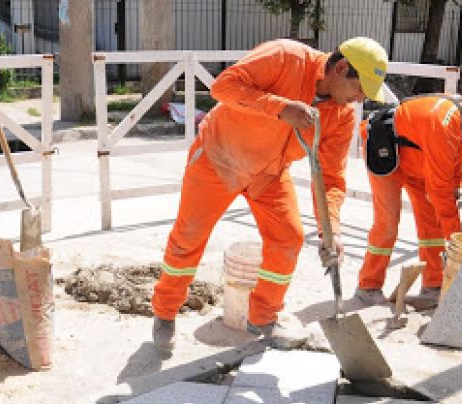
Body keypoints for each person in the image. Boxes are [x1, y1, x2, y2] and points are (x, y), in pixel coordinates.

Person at [150, 37, 389, 353]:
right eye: (359, 89)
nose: (359, 100)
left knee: (288, 238)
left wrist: (331, 231)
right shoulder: (285, 57)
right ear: (342, 67)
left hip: (269, 172)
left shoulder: (342, 114)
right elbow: (223, 87)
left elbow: (330, 179)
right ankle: (165, 312)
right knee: (188, 238)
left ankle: (262, 317)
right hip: (219, 159)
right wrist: (280, 108)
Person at [356, 94, 462, 305]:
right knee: (387, 224)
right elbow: (439, 191)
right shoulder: (444, 124)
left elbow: (454, 162)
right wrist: (458, 244)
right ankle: (368, 286)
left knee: (431, 224)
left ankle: (433, 285)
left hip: (415, 156)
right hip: (384, 150)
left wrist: (458, 189)